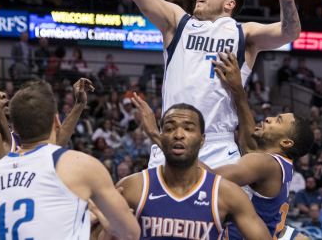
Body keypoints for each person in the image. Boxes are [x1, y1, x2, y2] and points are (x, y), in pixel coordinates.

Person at [65, 0, 301, 169]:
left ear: (229, 4)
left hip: (217, 145)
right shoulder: (178, 22)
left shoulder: (243, 33)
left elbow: (289, 32)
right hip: (170, 141)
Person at [137, 52, 312, 239]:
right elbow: (250, 144)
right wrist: (238, 90)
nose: (268, 118)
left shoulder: (265, 163)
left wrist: (157, 135)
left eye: (277, 121)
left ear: (285, 142)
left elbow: (206, 178)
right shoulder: (279, 165)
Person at [0, 0, 93, 182]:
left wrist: (79, 106)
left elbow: (55, 144)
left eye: (2, 92)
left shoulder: (18, 137)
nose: (4, 94)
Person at [0, 79, 139, 240]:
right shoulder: (79, 165)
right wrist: (99, 216)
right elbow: (131, 233)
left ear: (15, 130)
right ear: (56, 121)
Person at [112, 103, 271, 240]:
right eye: (169, 128)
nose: (179, 134)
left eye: (188, 128)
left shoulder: (227, 194)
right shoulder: (132, 187)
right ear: (161, 137)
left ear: (202, 140)